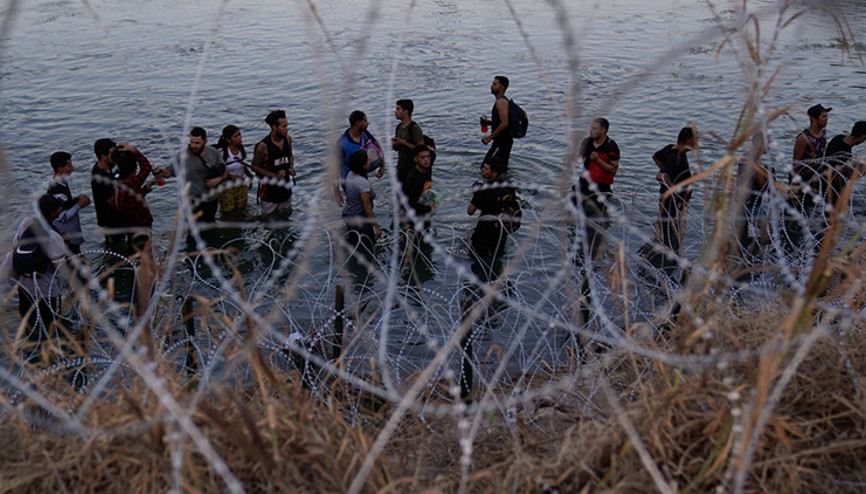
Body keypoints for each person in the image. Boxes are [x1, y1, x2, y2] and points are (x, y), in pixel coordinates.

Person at [0, 194, 67, 366]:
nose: (61, 209)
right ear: (54, 213)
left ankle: (30, 357)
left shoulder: (26, 223)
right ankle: (50, 362)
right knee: (51, 326)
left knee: (29, 323)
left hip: (25, 286)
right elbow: (59, 267)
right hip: (46, 290)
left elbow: (16, 247)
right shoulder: (54, 236)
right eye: (59, 207)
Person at [575, 118, 620, 261]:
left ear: (603, 130)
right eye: (591, 128)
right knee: (578, 212)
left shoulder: (611, 146)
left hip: (601, 187)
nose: (591, 131)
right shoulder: (587, 142)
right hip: (584, 184)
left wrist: (598, 160)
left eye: (594, 128)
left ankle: (597, 243)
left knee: (599, 218)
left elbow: (613, 170)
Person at [467, 156, 514, 282]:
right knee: (497, 258)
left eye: (486, 169)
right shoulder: (508, 186)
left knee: (477, 259)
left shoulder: (484, 189)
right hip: (501, 231)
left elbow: (470, 211)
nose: (482, 170)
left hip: (484, 231)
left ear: (494, 173)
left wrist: (476, 194)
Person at [653, 126, 697, 259]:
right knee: (671, 233)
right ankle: (666, 258)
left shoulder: (670, 148)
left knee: (663, 226)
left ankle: (658, 248)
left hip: (668, 199)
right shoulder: (676, 160)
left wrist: (666, 172)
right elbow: (659, 176)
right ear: (688, 141)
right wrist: (673, 189)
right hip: (672, 202)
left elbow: (655, 157)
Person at [171, 127, 228, 223]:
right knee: (193, 227)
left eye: (197, 143)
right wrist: (161, 172)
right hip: (192, 200)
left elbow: (225, 172)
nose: (193, 146)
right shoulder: (183, 155)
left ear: (205, 141)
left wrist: (218, 179)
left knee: (209, 224)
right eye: (191, 142)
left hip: (211, 199)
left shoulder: (214, 153)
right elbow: (171, 171)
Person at [335, 110, 384, 206]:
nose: (367, 123)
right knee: (359, 206)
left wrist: (382, 166)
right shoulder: (342, 143)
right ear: (357, 123)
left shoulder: (364, 134)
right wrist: (337, 193)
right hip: (348, 181)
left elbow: (377, 145)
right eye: (365, 121)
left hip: (362, 177)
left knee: (368, 203)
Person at [113, 145, 159, 248]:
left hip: (130, 226)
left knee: (133, 249)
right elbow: (146, 167)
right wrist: (134, 150)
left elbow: (130, 202)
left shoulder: (118, 184)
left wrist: (145, 189)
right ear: (132, 171)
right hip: (141, 224)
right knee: (145, 250)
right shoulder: (132, 183)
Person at [251, 109, 295, 215]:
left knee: (286, 215)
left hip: (285, 189)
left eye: (287, 126)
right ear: (274, 127)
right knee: (269, 220)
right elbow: (254, 167)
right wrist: (275, 175)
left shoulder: (288, 139)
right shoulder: (263, 146)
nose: (287, 129)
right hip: (269, 193)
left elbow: (290, 155)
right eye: (284, 126)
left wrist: (291, 167)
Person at [736, 131, 772, 259]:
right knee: (767, 235)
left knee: (740, 237)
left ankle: (747, 259)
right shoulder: (753, 161)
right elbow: (763, 185)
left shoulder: (747, 156)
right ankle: (756, 259)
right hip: (750, 204)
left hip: (743, 202)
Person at [48, 151, 91, 255]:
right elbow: (61, 217)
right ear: (60, 168)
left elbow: (66, 205)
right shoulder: (56, 189)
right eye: (69, 166)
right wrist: (79, 205)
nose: (72, 168)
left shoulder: (62, 182)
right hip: (66, 236)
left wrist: (78, 200)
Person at [342, 150, 381, 257]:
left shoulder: (350, 174)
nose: (369, 162)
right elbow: (367, 208)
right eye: (367, 161)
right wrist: (376, 227)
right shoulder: (362, 183)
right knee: (369, 247)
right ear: (363, 165)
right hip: (359, 219)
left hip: (348, 214)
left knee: (355, 244)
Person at [791, 104, 831, 208]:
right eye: (823, 117)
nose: (826, 119)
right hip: (803, 178)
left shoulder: (823, 133)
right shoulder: (803, 138)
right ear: (813, 119)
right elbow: (795, 162)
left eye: (827, 116)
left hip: (816, 176)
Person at [825, 120, 866, 212]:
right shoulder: (845, 152)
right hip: (833, 187)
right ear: (862, 136)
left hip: (825, 178)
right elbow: (837, 176)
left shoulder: (839, 138)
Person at [215, 125, 253, 216]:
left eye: (239, 135)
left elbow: (241, 165)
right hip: (226, 188)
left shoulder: (240, 150)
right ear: (228, 140)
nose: (239, 138)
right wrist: (233, 177)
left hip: (241, 185)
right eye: (236, 136)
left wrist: (250, 176)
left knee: (241, 211)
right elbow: (218, 171)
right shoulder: (222, 152)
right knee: (228, 213)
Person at [91, 137, 121, 247]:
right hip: (110, 220)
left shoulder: (109, 167)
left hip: (116, 217)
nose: (116, 155)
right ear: (103, 157)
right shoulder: (99, 177)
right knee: (114, 247)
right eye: (113, 153)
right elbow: (111, 200)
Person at [480, 75, 513, 168]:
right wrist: (489, 123)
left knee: (486, 167)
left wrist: (489, 138)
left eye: (494, 84)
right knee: (499, 168)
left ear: (502, 87)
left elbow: (504, 124)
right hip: (503, 142)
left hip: (501, 142)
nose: (491, 86)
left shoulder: (501, 102)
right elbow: (502, 121)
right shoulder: (502, 101)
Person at [401, 144, 434, 231]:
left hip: (425, 215)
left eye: (428, 157)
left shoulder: (427, 169)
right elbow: (408, 205)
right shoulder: (412, 179)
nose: (426, 160)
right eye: (422, 157)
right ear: (415, 159)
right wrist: (429, 208)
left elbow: (433, 154)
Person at [392, 99, 424, 183]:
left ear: (405, 111)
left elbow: (421, 149)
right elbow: (396, 149)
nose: (395, 112)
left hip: (413, 168)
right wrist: (395, 144)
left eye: (398, 109)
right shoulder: (399, 127)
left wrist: (403, 143)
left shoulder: (414, 128)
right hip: (401, 166)